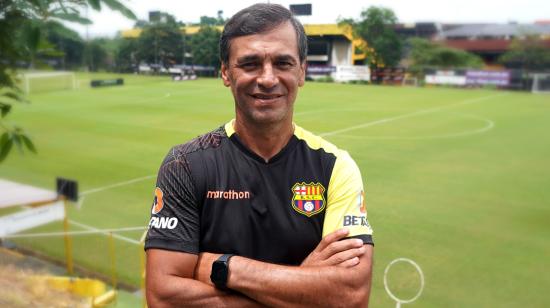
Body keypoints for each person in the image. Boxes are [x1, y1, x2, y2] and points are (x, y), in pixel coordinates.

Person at [145, 3, 374, 307]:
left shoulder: (335, 167)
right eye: (250, 63)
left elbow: (351, 296)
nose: (267, 79)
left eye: (283, 63)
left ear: (302, 71)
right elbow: (163, 298)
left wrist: (223, 267)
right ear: (225, 72)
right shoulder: (185, 165)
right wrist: (304, 286)